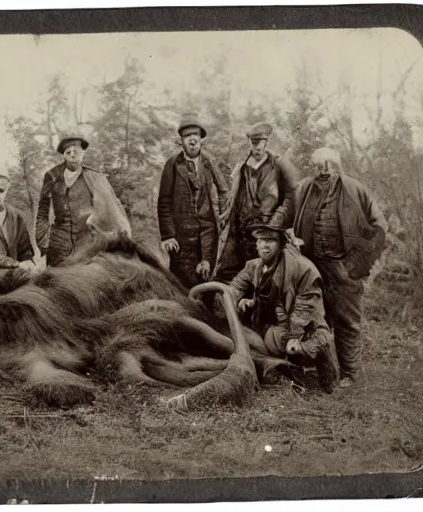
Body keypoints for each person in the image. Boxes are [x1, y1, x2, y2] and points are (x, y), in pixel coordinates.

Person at [293, 147, 388, 388]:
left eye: (329, 165)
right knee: (315, 318)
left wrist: (357, 264)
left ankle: (350, 372)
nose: (324, 170)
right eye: (319, 165)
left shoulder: (355, 190)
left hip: (344, 267)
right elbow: (287, 219)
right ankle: (323, 369)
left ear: (338, 167)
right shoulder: (304, 189)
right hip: (313, 267)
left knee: (347, 320)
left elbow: (380, 227)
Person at [229, 222, 340, 392]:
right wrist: (243, 301)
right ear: (256, 243)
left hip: (304, 326)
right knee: (267, 342)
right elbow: (233, 289)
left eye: (270, 240)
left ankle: (322, 377)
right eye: (261, 240)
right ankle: (288, 370)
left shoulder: (301, 268)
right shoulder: (254, 267)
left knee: (309, 343)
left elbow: (305, 306)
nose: (265, 245)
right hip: (276, 326)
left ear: (281, 244)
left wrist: (295, 337)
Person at [213, 121, 300, 282]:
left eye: (261, 143)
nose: (258, 148)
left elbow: (291, 196)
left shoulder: (278, 165)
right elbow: (235, 204)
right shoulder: (242, 169)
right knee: (226, 275)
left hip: (269, 233)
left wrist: (277, 219)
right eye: (254, 143)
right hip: (242, 233)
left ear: (267, 142)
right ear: (249, 143)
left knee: (269, 279)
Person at [157, 113, 229, 289]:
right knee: (182, 284)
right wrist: (167, 235)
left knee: (207, 280)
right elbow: (164, 201)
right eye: (187, 136)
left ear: (201, 139)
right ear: (181, 141)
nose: (192, 140)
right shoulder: (172, 164)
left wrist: (222, 218)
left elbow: (224, 190)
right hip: (181, 237)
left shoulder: (208, 162)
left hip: (207, 234)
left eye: (195, 135)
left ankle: (207, 315)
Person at [35, 135, 131, 267]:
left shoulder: (95, 178)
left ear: (82, 154)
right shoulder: (52, 176)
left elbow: (111, 210)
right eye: (68, 152)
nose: (72, 155)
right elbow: (42, 210)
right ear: (64, 154)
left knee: (83, 282)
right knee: (56, 282)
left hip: (86, 241)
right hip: (58, 241)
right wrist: (42, 240)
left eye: (76, 151)